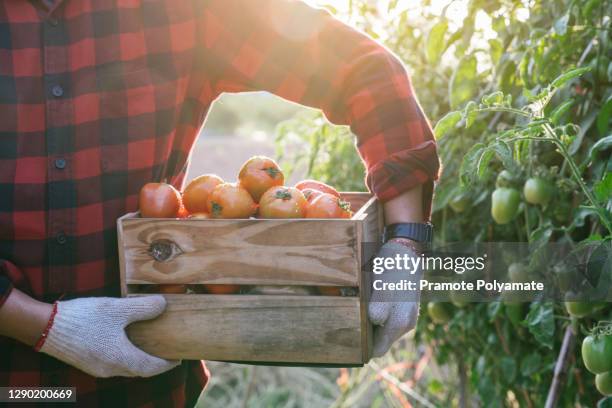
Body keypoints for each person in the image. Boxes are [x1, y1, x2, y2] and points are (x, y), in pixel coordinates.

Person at [0, 0, 440, 406]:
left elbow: (363, 70)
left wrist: (405, 241)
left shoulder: (185, 11)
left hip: (142, 383)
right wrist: (42, 327)